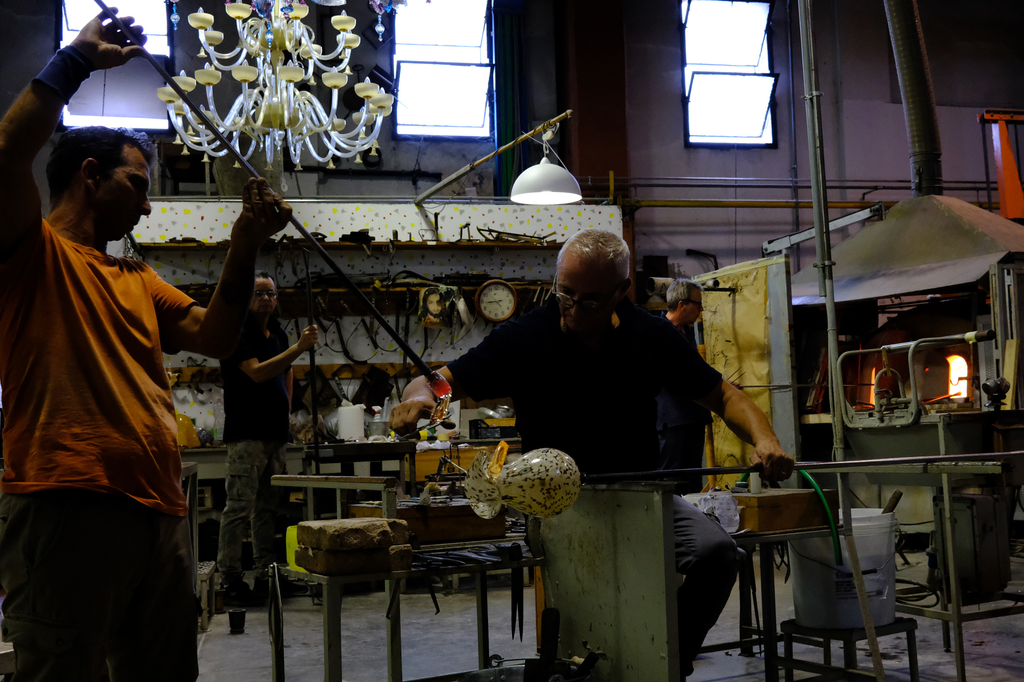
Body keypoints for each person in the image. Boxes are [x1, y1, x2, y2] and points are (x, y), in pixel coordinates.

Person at [0, 11, 292, 681]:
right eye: (138, 185)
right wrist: (74, 61)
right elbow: (7, 154)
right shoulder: (30, 254)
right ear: (89, 174)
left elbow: (215, 336)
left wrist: (246, 240)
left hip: (157, 512)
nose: (148, 207)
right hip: (64, 505)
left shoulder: (135, 277)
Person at [389, 230, 795, 677]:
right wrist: (422, 400)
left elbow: (723, 395)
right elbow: (439, 383)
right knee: (589, 620)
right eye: (566, 294)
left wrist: (766, 440)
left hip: (639, 497)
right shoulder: (524, 337)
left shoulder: (650, 335)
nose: (573, 309)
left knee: (718, 556)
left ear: (622, 291)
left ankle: (664, 666)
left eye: (590, 301)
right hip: (556, 504)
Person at [217, 271, 318, 606]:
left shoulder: (277, 331)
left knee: (268, 509)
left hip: (275, 433)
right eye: (259, 293)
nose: (266, 299)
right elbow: (258, 372)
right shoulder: (236, 331)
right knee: (239, 508)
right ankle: (230, 578)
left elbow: (286, 372)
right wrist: (300, 348)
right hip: (246, 434)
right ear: (247, 298)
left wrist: (286, 411)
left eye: (271, 294)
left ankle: (266, 572)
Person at [656, 278, 712, 492]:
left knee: (692, 480)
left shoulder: (689, 334)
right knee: (667, 481)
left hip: (694, 417)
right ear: (682, 305)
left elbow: (697, 371)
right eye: (698, 304)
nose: (701, 309)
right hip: (672, 420)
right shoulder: (658, 331)